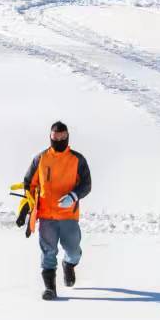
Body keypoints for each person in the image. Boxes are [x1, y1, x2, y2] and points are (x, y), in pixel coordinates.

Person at [20, 120, 92, 300]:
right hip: (46, 216)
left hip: (69, 215)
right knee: (48, 252)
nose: (59, 139)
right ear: (50, 136)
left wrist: (73, 196)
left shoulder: (77, 159)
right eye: (55, 136)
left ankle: (69, 264)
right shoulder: (41, 158)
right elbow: (29, 183)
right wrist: (27, 207)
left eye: (62, 136)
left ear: (67, 137)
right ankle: (50, 289)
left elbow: (86, 184)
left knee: (73, 250)